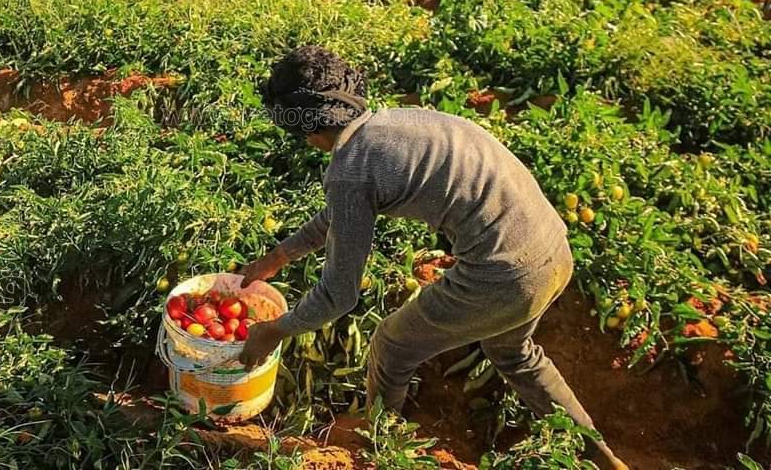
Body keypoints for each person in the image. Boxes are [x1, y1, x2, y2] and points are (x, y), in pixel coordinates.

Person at [237, 46, 628, 470]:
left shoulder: (350, 171)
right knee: (514, 354)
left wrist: (274, 330)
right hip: (553, 249)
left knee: (392, 345)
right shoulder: (398, 122)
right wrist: (277, 258)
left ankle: (381, 450)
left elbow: (339, 295)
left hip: (503, 275)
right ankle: (602, 459)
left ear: (308, 129)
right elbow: (339, 215)